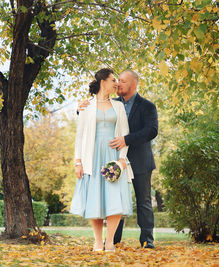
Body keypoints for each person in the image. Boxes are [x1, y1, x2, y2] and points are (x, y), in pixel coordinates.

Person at [79, 70, 158, 248]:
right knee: (115, 198)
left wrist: (126, 140)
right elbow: (93, 118)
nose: (118, 84)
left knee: (143, 201)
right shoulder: (112, 104)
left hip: (139, 161)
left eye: (122, 81)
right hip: (113, 159)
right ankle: (113, 240)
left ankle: (147, 240)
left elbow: (152, 130)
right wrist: (80, 108)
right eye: (116, 81)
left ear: (133, 84)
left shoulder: (147, 106)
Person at [71, 68, 133, 252]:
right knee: (95, 198)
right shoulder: (86, 106)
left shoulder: (119, 106)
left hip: (113, 157)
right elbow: (80, 136)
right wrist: (78, 161)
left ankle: (109, 241)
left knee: (115, 198)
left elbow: (124, 134)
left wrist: (122, 160)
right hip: (92, 157)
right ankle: (98, 241)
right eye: (113, 80)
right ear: (103, 81)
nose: (116, 83)